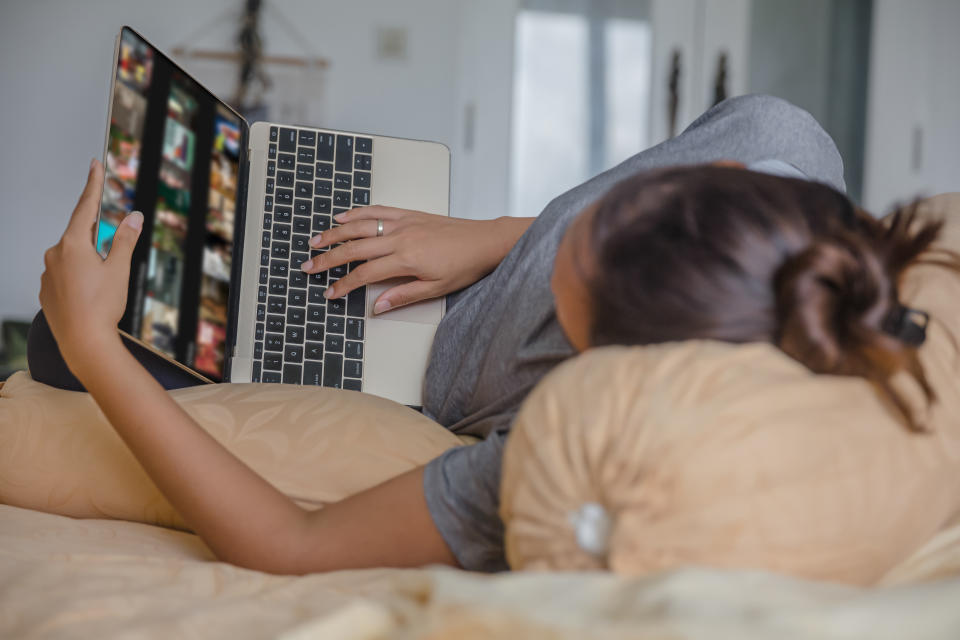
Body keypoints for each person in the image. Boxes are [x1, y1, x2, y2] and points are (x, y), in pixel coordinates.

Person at [35, 94, 927, 576]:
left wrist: (94, 351)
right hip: (463, 279)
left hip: (424, 368)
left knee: (51, 336)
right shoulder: (782, 157)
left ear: (599, 361)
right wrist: (496, 237)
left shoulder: (576, 443)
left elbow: (290, 546)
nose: (551, 249)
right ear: (718, 179)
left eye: (558, 277)